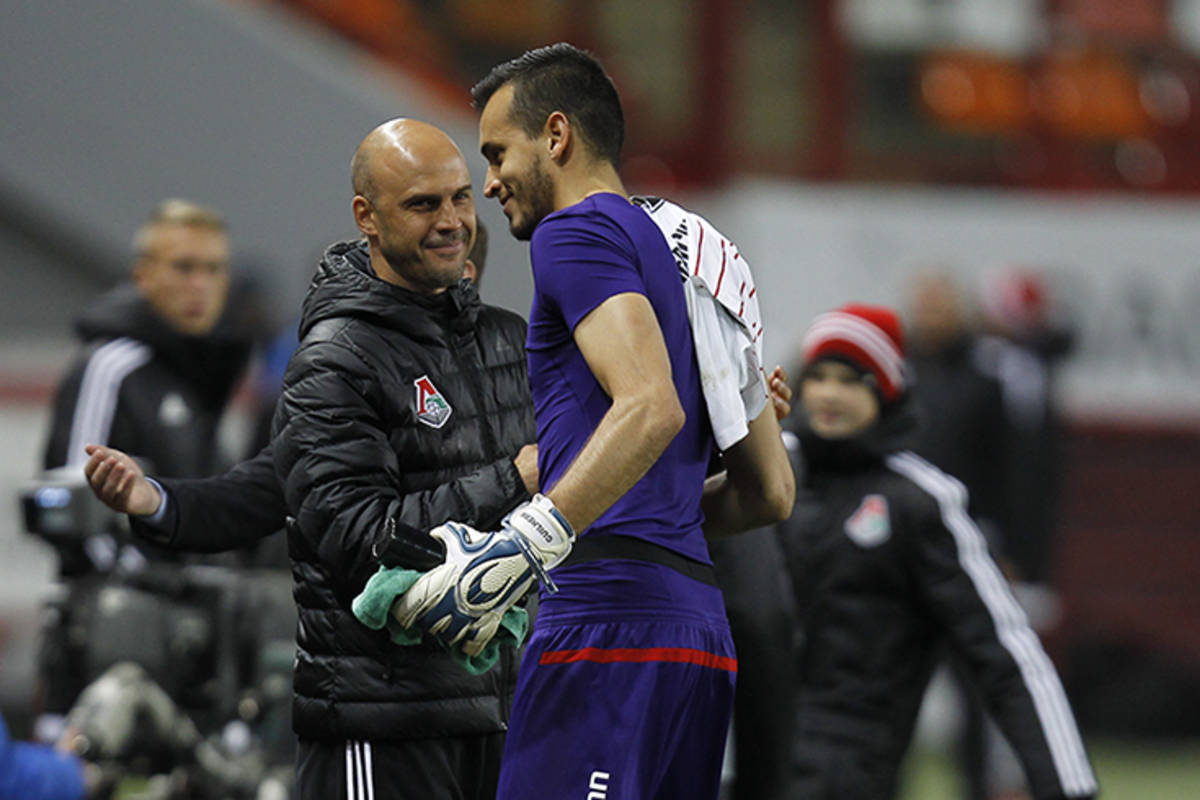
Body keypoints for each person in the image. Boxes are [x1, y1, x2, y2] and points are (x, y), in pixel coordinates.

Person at [83, 118, 539, 800]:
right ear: (367, 217)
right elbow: (354, 533)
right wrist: (513, 480)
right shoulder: (336, 359)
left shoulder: (506, 341)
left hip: (500, 711)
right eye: (423, 204)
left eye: (460, 198)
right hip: (380, 719)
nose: (451, 220)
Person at [389, 42, 795, 800]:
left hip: (607, 626)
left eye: (497, 153)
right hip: (695, 635)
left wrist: (522, 545)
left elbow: (649, 405)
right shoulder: (693, 253)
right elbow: (770, 492)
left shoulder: (572, 233)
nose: (489, 182)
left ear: (557, 135)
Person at [775, 303, 1098, 800]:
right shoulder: (765, 482)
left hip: (849, 772)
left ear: (886, 390)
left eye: (851, 380)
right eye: (818, 377)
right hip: (737, 759)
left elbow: (1007, 656)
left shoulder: (922, 502)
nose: (829, 394)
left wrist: (1066, 788)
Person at [33, 199, 252, 742]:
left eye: (214, 269)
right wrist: (144, 582)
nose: (200, 284)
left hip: (194, 651)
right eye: (183, 267)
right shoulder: (111, 366)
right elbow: (67, 500)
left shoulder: (197, 376)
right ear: (143, 276)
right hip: (107, 651)